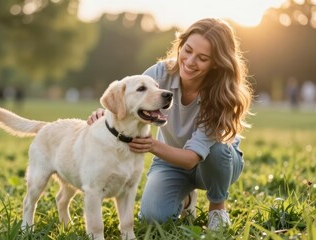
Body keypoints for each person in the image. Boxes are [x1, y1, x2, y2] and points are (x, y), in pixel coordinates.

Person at [87, 18, 253, 230]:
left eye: (202, 58)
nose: (190, 61)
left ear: (217, 63)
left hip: (214, 165)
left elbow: (192, 158)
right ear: (181, 44)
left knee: (219, 149)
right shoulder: (159, 74)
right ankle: (186, 200)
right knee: (152, 219)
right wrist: (107, 113)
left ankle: (217, 208)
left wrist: (152, 145)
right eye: (188, 50)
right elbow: (128, 99)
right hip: (170, 161)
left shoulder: (222, 97)